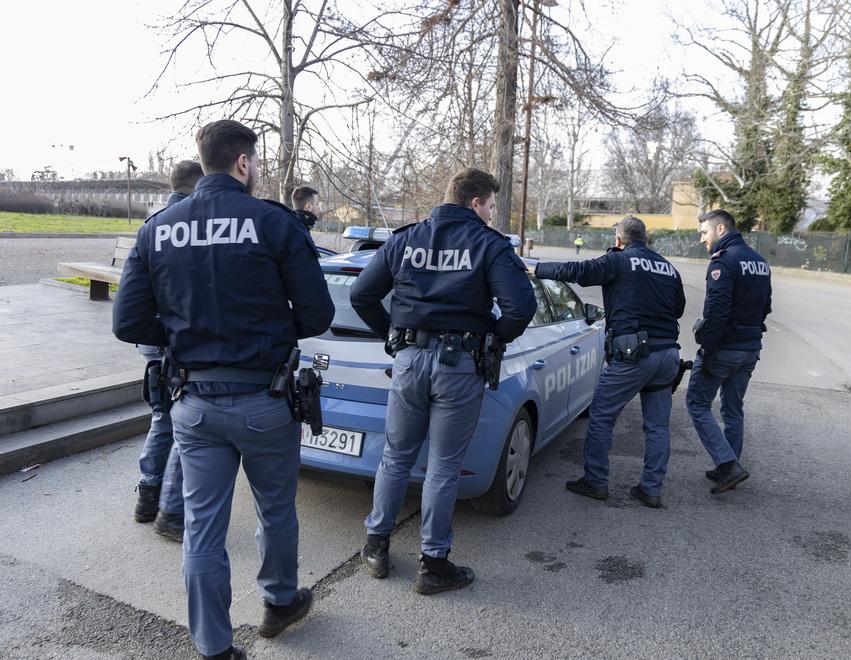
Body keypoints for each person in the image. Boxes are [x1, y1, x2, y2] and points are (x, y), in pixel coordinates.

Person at [113, 120, 334, 660]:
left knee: (203, 528)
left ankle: (213, 647)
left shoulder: (159, 228)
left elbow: (128, 323)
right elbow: (317, 314)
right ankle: (280, 601)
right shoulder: (274, 223)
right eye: (255, 163)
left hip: (192, 404)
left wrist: (187, 335)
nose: (256, 171)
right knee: (275, 511)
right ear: (242, 163)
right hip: (264, 401)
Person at [350, 168, 536, 594]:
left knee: (395, 457)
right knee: (444, 466)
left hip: (410, 360)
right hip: (459, 365)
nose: (491, 212)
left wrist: (395, 339)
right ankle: (433, 564)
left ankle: (376, 547)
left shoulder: (404, 239)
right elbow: (520, 306)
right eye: (490, 204)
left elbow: (362, 295)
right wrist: (494, 336)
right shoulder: (489, 244)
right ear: (476, 202)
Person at [535, 216, 686, 508]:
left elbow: (577, 271)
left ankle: (595, 481)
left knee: (602, 416)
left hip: (633, 356)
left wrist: (536, 267)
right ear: (646, 238)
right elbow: (678, 309)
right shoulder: (669, 268)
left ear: (618, 240)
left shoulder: (619, 261)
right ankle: (651, 489)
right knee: (657, 427)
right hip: (668, 355)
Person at [134, 159, 204, 544]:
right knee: (176, 421)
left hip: (152, 341)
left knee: (162, 417)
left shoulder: (154, 223)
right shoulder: (189, 224)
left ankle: (149, 492)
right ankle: (165, 504)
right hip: (176, 340)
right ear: (198, 186)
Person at [685, 209, 772, 494]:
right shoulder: (760, 262)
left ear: (721, 230)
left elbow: (716, 311)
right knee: (733, 409)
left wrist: (708, 351)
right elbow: (766, 306)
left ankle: (728, 464)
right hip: (750, 349)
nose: (702, 239)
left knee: (697, 404)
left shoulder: (723, 262)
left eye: (704, 232)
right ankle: (729, 469)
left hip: (725, 348)